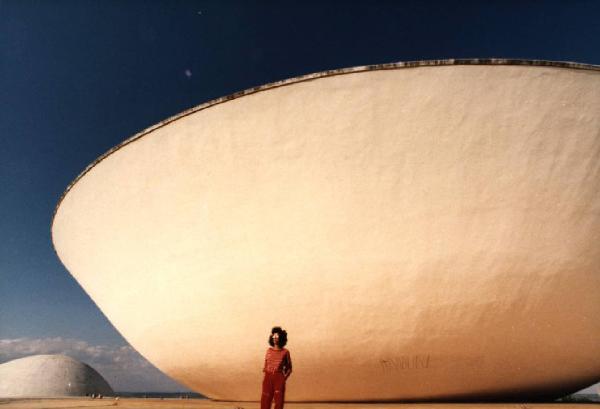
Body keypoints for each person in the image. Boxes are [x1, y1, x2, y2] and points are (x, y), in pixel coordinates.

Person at [260, 326, 292, 409]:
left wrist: (283, 378)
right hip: (267, 377)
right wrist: (266, 375)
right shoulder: (268, 351)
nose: (274, 338)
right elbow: (266, 364)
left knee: (279, 401)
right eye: (273, 336)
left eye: (277, 336)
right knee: (265, 399)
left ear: (281, 338)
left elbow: (289, 368)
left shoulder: (285, 352)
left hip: (279, 377)